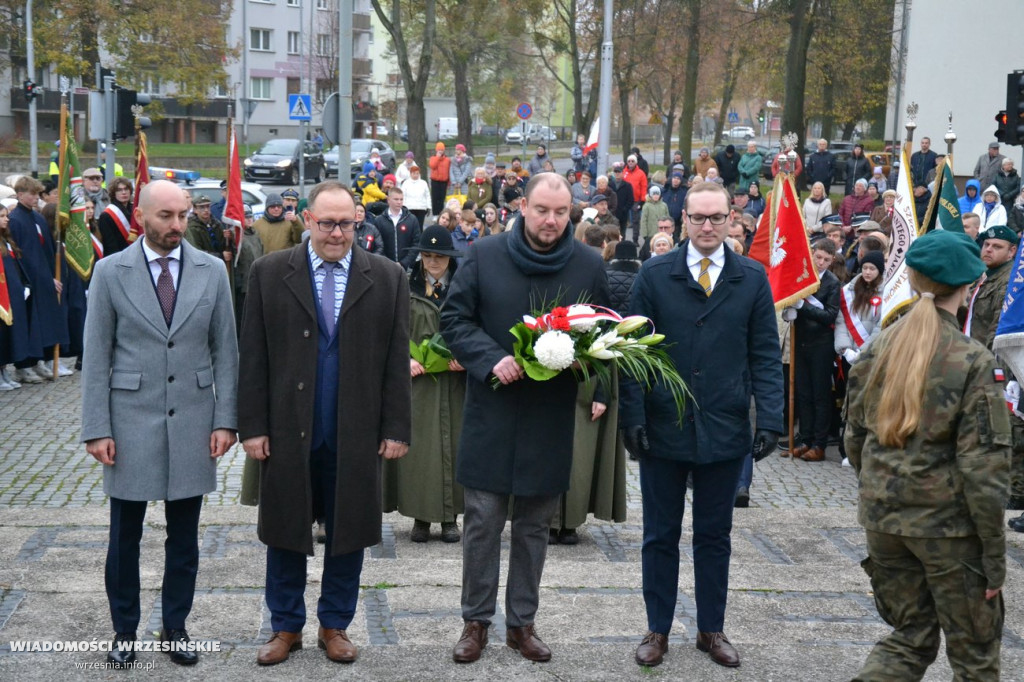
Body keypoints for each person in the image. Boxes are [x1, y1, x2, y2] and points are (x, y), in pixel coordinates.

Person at [238, 180, 411, 667]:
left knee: (349, 531)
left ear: (359, 223)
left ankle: (335, 625)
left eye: (347, 224)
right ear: (307, 219)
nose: (337, 234)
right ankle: (285, 625)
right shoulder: (271, 273)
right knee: (285, 530)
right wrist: (252, 426)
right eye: (327, 223)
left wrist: (396, 427)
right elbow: (253, 356)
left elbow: (396, 360)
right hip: (288, 428)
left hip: (355, 430)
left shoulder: (388, 276)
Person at [440, 173, 611, 664]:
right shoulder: (482, 255)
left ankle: (522, 624)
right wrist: (490, 358)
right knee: (482, 521)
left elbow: (604, 330)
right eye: (542, 210)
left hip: (548, 415)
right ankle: (475, 623)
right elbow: (455, 320)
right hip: (492, 409)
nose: (551, 221)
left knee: (535, 526)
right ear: (522, 207)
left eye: (561, 212)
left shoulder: (585, 264)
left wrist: (586, 362)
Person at [622, 182, 783, 669]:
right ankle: (657, 629)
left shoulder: (751, 278)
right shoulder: (653, 275)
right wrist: (633, 417)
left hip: (725, 426)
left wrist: (770, 417)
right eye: (699, 218)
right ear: (682, 219)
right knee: (659, 534)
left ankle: (711, 629)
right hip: (665, 426)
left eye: (717, 217)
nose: (708, 227)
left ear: (732, 218)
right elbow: (632, 352)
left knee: (715, 536)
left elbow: (765, 356)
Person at [80, 179, 239, 667]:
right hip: (128, 422)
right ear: (142, 217)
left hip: (193, 418)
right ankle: (124, 630)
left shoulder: (213, 271)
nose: (176, 225)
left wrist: (226, 419)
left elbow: (226, 352)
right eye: (166, 216)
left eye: (183, 215)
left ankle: (176, 627)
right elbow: (97, 353)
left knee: (185, 537)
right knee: (124, 535)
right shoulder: (110, 272)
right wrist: (96, 428)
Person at [846, 229, 1009, 681]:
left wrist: (883, 491)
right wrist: (994, 558)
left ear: (913, 279)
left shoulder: (879, 346)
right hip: (948, 532)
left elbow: (855, 440)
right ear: (971, 285)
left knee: (910, 637)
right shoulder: (972, 360)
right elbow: (985, 470)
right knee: (975, 659)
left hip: (884, 522)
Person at [384, 225, 466, 543]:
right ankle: (420, 517)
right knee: (420, 452)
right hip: (418, 384)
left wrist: (468, 356)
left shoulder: (464, 288)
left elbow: (476, 327)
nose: (433, 262)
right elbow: (391, 331)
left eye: (440, 257)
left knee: (454, 447)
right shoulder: (405, 287)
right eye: (428, 256)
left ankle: (450, 517)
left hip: (457, 385)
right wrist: (404, 359)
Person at [781, 239, 840, 462]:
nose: (821, 262)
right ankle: (804, 439)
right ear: (812, 255)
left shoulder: (833, 283)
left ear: (832, 260)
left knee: (819, 395)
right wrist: (790, 310)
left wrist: (803, 307)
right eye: (818, 257)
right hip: (801, 339)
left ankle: (819, 443)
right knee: (802, 392)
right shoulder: (803, 278)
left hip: (821, 344)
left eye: (826, 259)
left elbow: (829, 315)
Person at [7, 176, 69, 385]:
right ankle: (24, 365)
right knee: (30, 324)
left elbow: (46, 251)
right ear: (19, 194)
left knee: (45, 322)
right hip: (31, 281)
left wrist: (53, 274)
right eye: (31, 193)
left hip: (45, 279)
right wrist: (43, 279)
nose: (35, 197)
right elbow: (26, 256)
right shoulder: (15, 220)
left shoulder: (38, 218)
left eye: (36, 193)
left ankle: (40, 359)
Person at [0, 205, 33, 390]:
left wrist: (24, 286)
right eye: (2, 216)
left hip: (13, 295)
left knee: (8, 336)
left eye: (6, 215)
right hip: (2, 296)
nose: (6, 219)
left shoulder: (6, 241)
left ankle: (4, 371)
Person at [374, 186, 421, 270]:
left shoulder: (412, 219)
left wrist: (404, 263)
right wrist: (387, 262)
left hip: (406, 267)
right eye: (396, 199)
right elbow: (378, 245)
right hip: (385, 266)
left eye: (401, 199)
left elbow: (416, 243)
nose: (399, 202)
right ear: (388, 200)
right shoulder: (379, 221)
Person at [234, 204, 264, 330]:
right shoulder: (237, 237)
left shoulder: (255, 234)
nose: (249, 219)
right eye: (245, 217)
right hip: (243, 284)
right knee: (243, 318)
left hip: (256, 281)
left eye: (250, 216)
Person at [97, 177, 134, 255]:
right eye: (119, 190)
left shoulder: (135, 210)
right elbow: (110, 246)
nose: (124, 192)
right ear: (114, 193)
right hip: (119, 257)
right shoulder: (106, 215)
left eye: (126, 189)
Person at [401, 164, 431, 229]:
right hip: (409, 207)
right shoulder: (406, 183)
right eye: (414, 173)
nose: (415, 175)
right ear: (410, 174)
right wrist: (403, 206)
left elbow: (427, 195)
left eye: (417, 173)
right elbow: (403, 195)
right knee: (410, 226)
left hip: (421, 208)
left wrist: (428, 206)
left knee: (420, 226)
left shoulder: (423, 183)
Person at [428, 142, 451, 216]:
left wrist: (449, 181)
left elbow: (448, 170)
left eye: (441, 150)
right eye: (439, 150)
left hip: (443, 181)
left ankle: (441, 213)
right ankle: (435, 214)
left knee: (442, 198)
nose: (440, 151)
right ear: (436, 150)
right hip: (435, 181)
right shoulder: (433, 158)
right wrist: (437, 158)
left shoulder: (447, 160)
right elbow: (432, 166)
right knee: (435, 198)